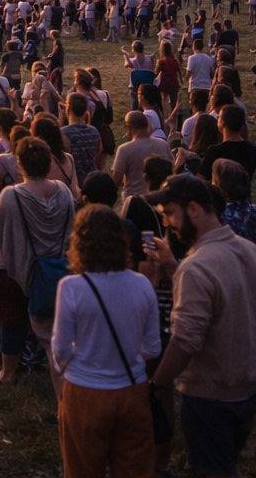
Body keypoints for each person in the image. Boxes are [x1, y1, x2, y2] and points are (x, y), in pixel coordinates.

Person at [147, 175, 256, 478]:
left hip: (210, 395)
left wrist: (157, 384)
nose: (167, 224)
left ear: (193, 209)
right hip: (247, 387)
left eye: (169, 213)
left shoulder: (197, 267)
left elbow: (185, 341)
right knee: (226, 461)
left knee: (211, 469)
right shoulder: (252, 252)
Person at [51, 204, 160, 478]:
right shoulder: (142, 284)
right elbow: (152, 348)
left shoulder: (71, 287)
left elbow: (60, 349)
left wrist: (81, 361)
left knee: (82, 470)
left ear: (79, 243)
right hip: (132, 389)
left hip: (85, 391)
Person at [0, 137, 75, 385]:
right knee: (53, 322)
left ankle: (8, 372)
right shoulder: (64, 191)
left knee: (12, 321)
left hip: (17, 268)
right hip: (56, 268)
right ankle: (54, 365)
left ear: (20, 164)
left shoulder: (10, 196)